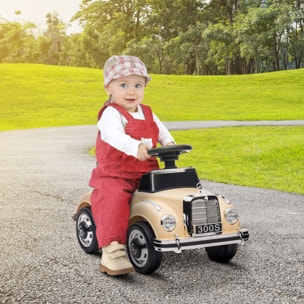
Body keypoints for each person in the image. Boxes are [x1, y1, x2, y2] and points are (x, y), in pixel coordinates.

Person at [89, 55, 175, 276]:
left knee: (172, 190)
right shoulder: (111, 114)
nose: (131, 92)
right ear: (108, 88)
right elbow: (114, 136)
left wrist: (169, 142)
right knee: (113, 198)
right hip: (116, 173)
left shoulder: (147, 112)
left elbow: (161, 130)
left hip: (147, 171)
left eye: (138, 85)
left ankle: (175, 228)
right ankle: (112, 249)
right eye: (123, 85)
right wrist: (135, 147)